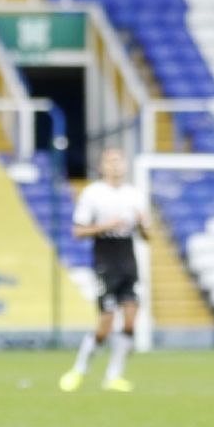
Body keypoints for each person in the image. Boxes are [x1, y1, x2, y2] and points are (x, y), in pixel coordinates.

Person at [59, 147, 150, 393]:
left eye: (119, 160)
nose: (115, 165)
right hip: (105, 260)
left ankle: (114, 376)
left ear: (125, 165)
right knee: (106, 324)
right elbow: (78, 231)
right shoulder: (93, 194)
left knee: (130, 320)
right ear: (102, 166)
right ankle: (79, 369)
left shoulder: (135, 195)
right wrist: (106, 225)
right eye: (110, 161)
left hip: (128, 258)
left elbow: (147, 236)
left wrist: (142, 225)